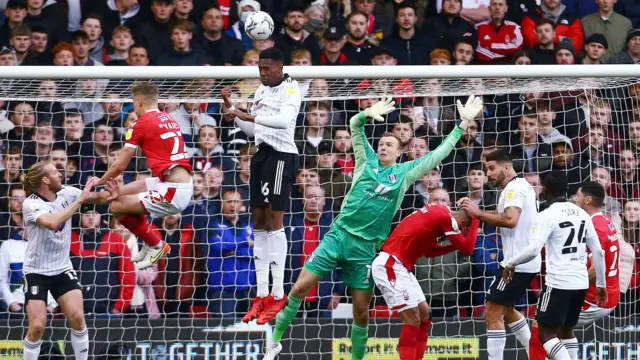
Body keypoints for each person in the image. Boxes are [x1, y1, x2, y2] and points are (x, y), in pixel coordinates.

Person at [264, 95, 484, 360]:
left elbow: (440, 153)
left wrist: (461, 125)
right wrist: (366, 113)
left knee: (361, 312)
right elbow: (355, 127)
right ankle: (274, 343)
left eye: (389, 145)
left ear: (399, 151)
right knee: (299, 288)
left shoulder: (405, 173)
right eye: (381, 143)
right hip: (338, 235)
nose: (383, 147)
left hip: (366, 249)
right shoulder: (365, 159)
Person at [220, 47, 302, 324]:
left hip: (282, 155)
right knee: (259, 223)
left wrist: (248, 116)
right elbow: (256, 131)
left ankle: (279, 294)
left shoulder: (292, 90)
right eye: (259, 69)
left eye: (267, 69)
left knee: (275, 222)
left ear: (280, 67)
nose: (262, 73)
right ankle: (262, 295)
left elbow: (282, 122)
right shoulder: (260, 91)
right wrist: (234, 115)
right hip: (262, 154)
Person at [501, 172, 607, 360]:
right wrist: (601, 284)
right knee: (567, 330)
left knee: (545, 333)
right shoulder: (583, 214)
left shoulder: (547, 215)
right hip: (581, 283)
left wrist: (510, 263)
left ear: (544, 190)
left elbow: (534, 250)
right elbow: (598, 252)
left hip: (559, 283)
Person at [20, 161, 116, 360]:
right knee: (37, 326)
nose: (60, 175)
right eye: (55, 172)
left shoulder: (68, 192)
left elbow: (98, 198)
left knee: (78, 317)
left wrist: (112, 191)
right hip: (36, 271)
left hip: (62, 268)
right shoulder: (31, 203)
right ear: (46, 180)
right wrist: (79, 201)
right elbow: (53, 222)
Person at [96, 81, 194, 270]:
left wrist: (98, 182)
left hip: (173, 191)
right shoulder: (168, 118)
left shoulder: (139, 124)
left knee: (116, 206)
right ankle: (150, 243)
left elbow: (119, 166)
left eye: (133, 101)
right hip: (172, 181)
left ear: (139, 101)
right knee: (119, 195)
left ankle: (156, 245)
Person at [458, 148, 539, 359]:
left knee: (492, 313)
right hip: (521, 261)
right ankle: (536, 353)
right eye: (487, 170)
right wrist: (474, 213)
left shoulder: (514, 188)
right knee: (507, 311)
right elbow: (502, 214)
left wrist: (477, 213)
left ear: (507, 167)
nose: (489, 174)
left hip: (516, 264)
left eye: (492, 168)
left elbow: (510, 220)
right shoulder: (516, 187)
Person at [372, 203, 480, 360]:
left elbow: (429, 252)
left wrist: (454, 246)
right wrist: (476, 218)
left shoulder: (438, 211)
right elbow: (468, 249)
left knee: (424, 313)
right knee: (412, 318)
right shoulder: (445, 217)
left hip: (401, 266)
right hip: (390, 264)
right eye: (463, 230)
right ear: (462, 223)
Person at [529, 181, 620, 360]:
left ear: (587, 200)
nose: (574, 199)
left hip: (596, 297)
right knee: (565, 329)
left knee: (541, 325)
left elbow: (595, 268)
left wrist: (572, 286)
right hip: (609, 294)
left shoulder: (593, 226)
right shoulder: (606, 221)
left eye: (577, 195)